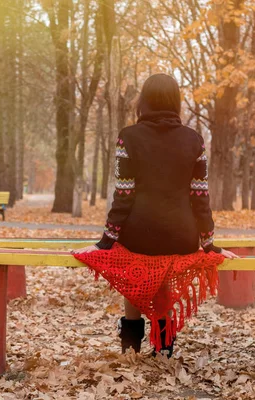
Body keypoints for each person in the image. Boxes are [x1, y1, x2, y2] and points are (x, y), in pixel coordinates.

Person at [73, 73, 237, 356]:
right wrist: (208, 243)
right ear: (176, 101)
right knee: (161, 271)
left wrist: (105, 243)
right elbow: (200, 196)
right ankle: (164, 347)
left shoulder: (129, 137)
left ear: (144, 101)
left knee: (135, 268)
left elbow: (124, 195)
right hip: (180, 237)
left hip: (139, 235)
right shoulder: (194, 140)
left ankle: (131, 345)